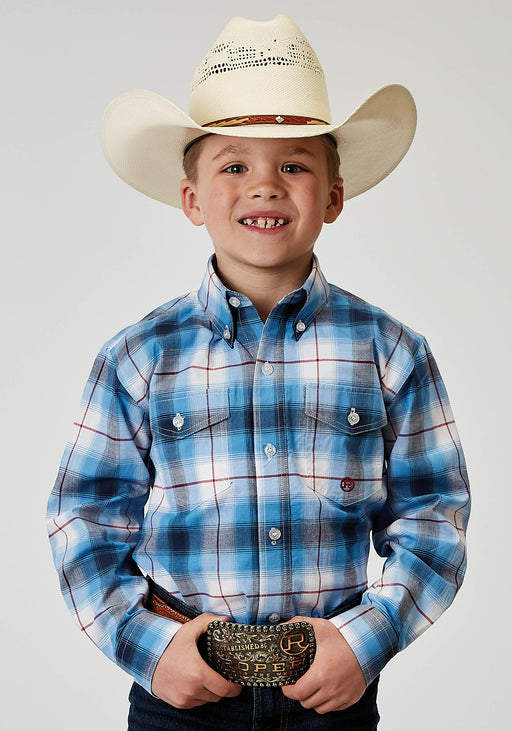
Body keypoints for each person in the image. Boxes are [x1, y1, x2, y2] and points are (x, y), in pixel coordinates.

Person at [47, 15, 470, 730]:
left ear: (333, 196)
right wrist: (149, 647)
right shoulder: (138, 357)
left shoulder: (391, 351)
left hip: (329, 693)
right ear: (192, 198)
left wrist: (367, 640)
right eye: (235, 167)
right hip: (182, 694)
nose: (265, 187)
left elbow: (434, 515)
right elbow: (83, 518)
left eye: (294, 166)